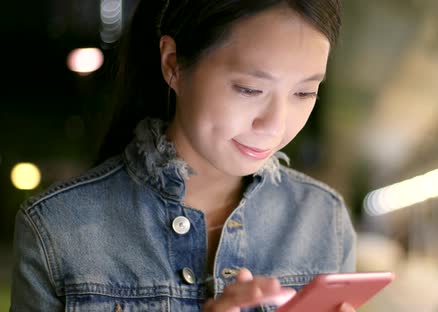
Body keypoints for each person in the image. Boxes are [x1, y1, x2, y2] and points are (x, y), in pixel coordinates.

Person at [10, 0, 357, 311]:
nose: (275, 126)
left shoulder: (324, 221)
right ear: (173, 64)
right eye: (250, 89)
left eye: (304, 92)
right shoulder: (57, 230)